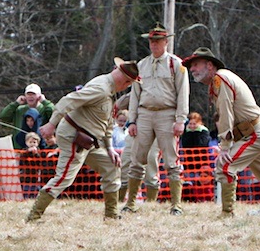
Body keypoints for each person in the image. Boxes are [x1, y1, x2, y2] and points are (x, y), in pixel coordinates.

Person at [26, 58, 141, 222]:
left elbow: (107, 122)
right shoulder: (101, 88)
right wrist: (51, 124)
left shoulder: (109, 90)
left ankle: (111, 214)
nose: (127, 87)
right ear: (126, 81)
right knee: (64, 177)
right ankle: (34, 216)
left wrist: (109, 149)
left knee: (111, 166)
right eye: (129, 84)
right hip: (75, 136)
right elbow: (68, 100)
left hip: (90, 140)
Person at [183, 47, 260, 216]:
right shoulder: (224, 78)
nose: (192, 69)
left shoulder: (220, 79)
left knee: (225, 165)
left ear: (209, 65)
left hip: (252, 134)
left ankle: (227, 214)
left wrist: (224, 146)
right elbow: (246, 105)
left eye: (195, 64)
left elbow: (226, 113)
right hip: (253, 132)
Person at [124, 24, 190, 215]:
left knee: (171, 161)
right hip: (144, 114)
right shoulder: (141, 65)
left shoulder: (176, 65)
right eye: (152, 41)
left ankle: (175, 204)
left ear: (166, 42)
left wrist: (180, 119)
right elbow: (135, 94)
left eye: (158, 41)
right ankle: (130, 203)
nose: (154, 45)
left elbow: (182, 93)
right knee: (137, 160)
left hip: (167, 114)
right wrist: (133, 120)